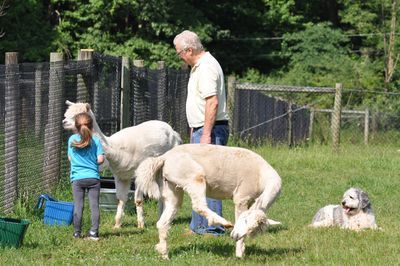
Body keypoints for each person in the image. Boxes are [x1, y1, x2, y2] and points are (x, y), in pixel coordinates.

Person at [173, 30, 229, 235]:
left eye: (179, 52)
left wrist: (205, 134)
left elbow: (211, 102)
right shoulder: (199, 67)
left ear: (189, 50)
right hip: (201, 129)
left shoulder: (206, 67)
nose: (179, 56)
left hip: (210, 130)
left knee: (210, 179)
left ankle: (213, 227)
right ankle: (198, 226)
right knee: (197, 179)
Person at [68, 112, 105, 240]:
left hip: (77, 179)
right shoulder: (96, 140)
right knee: (94, 205)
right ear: (91, 126)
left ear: (76, 127)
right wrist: (92, 162)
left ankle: (77, 233)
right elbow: (100, 160)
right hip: (93, 178)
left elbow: (70, 158)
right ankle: (94, 232)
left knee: (78, 205)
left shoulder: (72, 140)